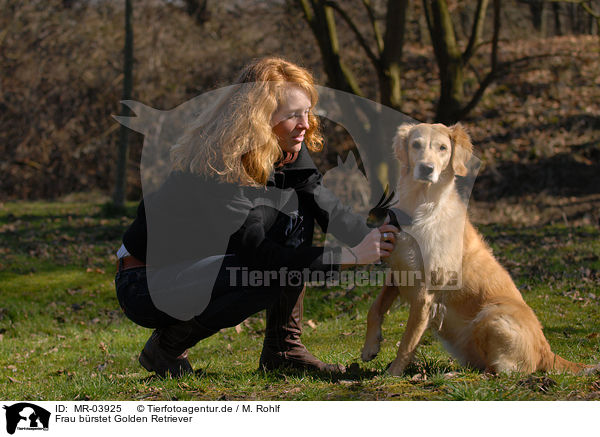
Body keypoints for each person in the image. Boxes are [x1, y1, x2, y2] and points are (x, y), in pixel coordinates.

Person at [114, 57, 399, 378]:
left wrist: (382, 241)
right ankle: (165, 348)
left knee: (297, 212)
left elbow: (324, 204)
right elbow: (260, 257)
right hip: (146, 283)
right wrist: (345, 258)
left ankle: (283, 350)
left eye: (307, 112)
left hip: (204, 265)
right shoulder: (221, 163)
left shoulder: (286, 148)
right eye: (293, 115)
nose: (306, 123)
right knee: (266, 272)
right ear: (259, 118)